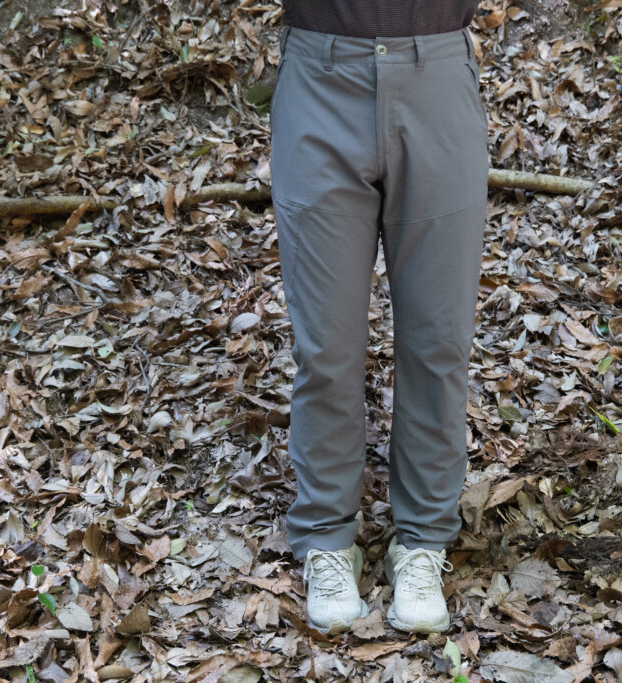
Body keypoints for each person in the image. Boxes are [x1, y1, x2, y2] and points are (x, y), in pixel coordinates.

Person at [268, 1, 488, 634]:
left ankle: (422, 540)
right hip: (319, 76)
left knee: (438, 339)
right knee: (326, 344)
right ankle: (327, 538)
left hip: (436, 72)